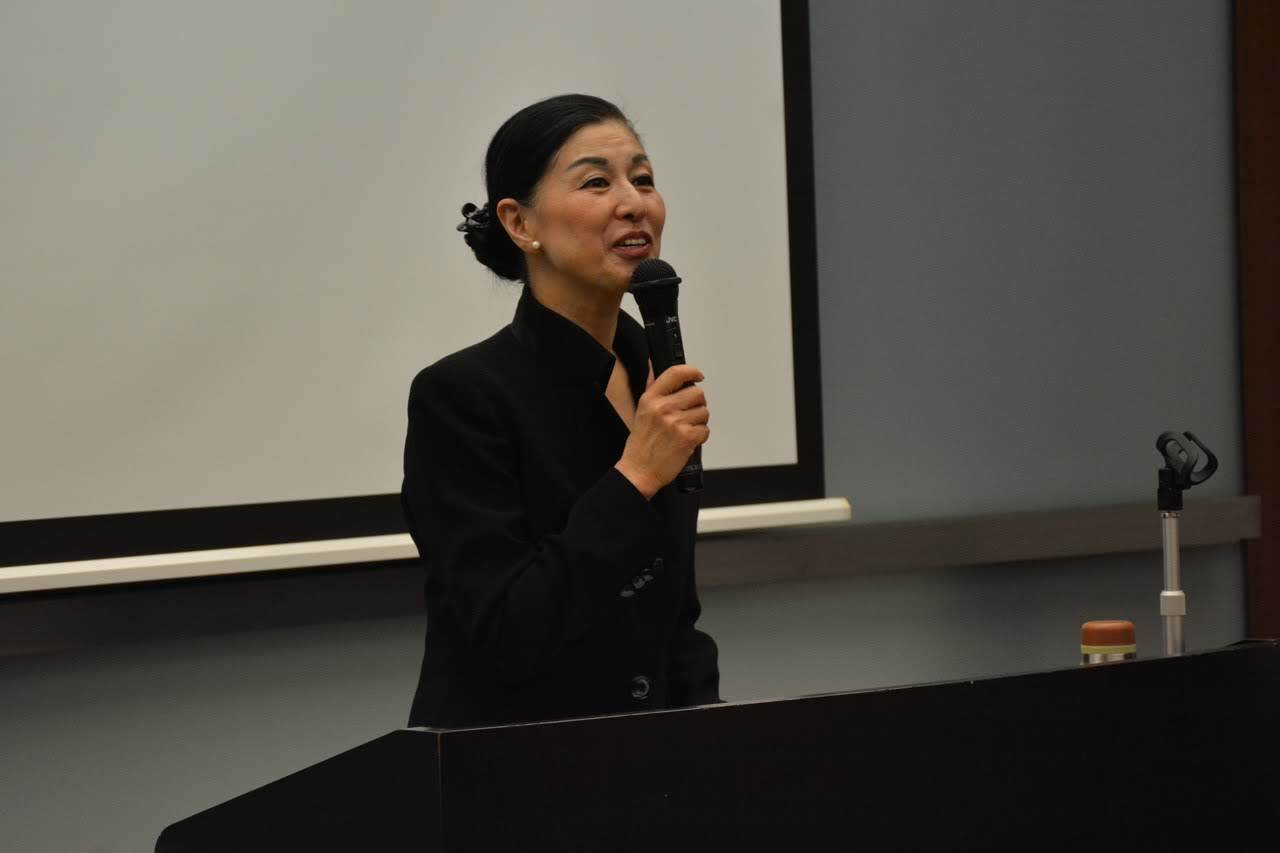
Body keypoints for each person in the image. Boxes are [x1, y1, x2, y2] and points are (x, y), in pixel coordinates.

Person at [401, 94, 720, 728]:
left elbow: (672, 610)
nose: (634, 203)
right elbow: (503, 627)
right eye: (597, 182)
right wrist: (635, 478)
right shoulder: (461, 396)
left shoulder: (652, 368)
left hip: (656, 754)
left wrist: (710, 733)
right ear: (520, 223)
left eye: (643, 179)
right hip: (507, 757)